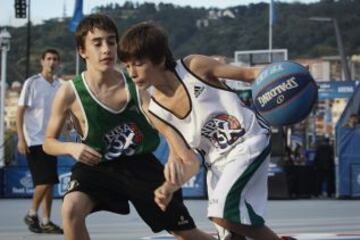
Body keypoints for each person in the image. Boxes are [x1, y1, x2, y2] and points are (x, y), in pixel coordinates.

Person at [43, 14, 214, 240]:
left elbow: (162, 123)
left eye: (111, 42)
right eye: (97, 43)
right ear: (82, 51)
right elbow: (48, 143)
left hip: (140, 165)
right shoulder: (69, 91)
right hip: (97, 166)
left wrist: (175, 152)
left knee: (184, 231)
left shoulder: (135, 85)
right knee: (71, 209)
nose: (107, 49)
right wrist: (71, 148)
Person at [119, 22, 293, 240]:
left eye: (137, 64)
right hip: (217, 165)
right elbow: (189, 160)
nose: (132, 73)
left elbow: (250, 74)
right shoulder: (156, 111)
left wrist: (288, 76)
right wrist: (170, 186)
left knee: (221, 213)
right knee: (230, 234)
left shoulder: (195, 66)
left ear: (160, 59)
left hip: (249, 141)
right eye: (127, 66)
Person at [16, 48, 63, 234]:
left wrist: (67, 134)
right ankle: (31, 213)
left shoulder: (60, 85)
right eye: (49, 59)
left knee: (49, 183)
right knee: (45, 181)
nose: (52, 62)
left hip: (52, 140)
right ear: (42, 61)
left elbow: (64, 113)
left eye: (55, 59)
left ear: (58, 62)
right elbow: (20, 111)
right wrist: (21, 139)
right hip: (34, 140)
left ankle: (45, 221)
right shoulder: (31, 83)